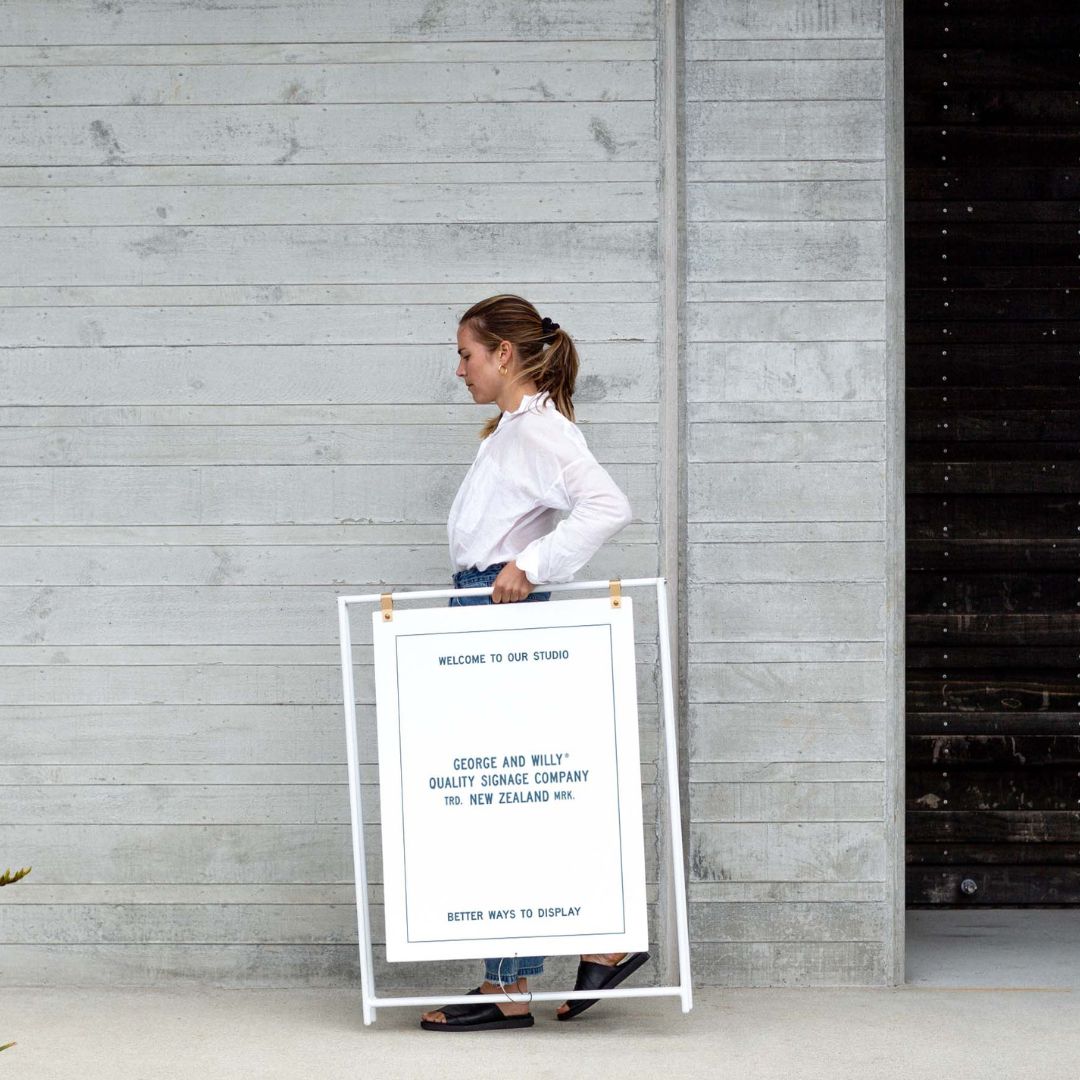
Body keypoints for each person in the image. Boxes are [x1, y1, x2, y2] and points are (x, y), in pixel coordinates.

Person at [419, 293, 649, 1032]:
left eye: (467, 354)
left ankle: (509, 987)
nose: (459, 370)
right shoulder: (514, 432)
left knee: (499, 802)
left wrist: (532, 564)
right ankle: (598, 945)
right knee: (511, 796)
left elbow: (607, 505)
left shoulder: (538, 431)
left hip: (497, 610)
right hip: (481, 607)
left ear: (505, 355)